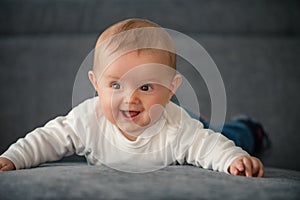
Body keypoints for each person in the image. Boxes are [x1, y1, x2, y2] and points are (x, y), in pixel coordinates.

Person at [0, 18, 264, 177]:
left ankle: (251, 128)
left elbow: (209, 147)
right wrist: (13, 158)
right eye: (115, 85)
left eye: (145, 87)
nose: (130, 99)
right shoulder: (87, 118)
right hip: (162, 110)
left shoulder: (177, 127)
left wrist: (233, 160)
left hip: (174, 116)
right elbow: (49, 138)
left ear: (171, 89)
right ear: (95, 83)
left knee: (227, 135)